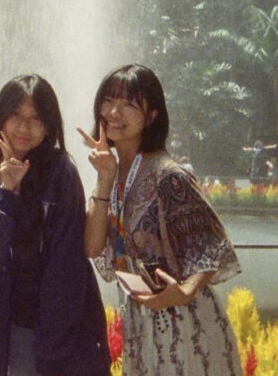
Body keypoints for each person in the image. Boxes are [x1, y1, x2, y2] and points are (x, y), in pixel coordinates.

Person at [83, 64, 243, 375]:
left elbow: (211, 247)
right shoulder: (112, 174)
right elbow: (91, 247)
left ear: (151, 115)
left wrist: (183, 291)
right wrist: (104, 178)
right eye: (108, 100)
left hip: (185, 324)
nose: (114, 112)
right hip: (140, 323)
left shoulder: (169, 176)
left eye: (129, 104)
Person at [0, 74, 111, 376]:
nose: (24, 127)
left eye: (36, 118)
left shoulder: (61, 173)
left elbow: (67, 265)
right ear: (1, 116)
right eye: (15, 116)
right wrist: (6, 193)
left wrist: (52, 347)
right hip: (2, 329)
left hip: (53, 334)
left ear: (49, 125)